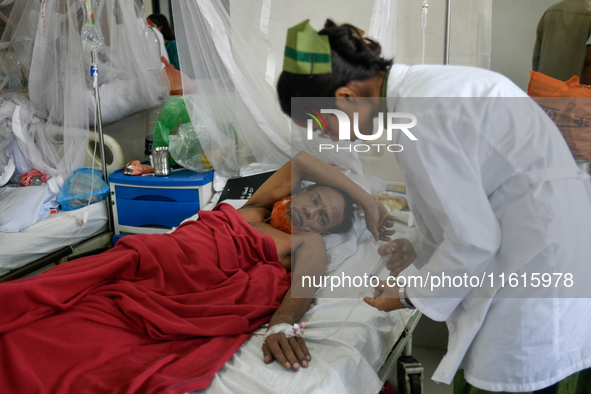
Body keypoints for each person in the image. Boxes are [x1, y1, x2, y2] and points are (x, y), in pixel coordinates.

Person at [276, 19, 591, 393]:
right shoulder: (426, 90)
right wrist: (419, 245)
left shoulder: (424, 114)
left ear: (345, 98)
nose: (324, 135)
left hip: (533, 278)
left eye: (319, 124)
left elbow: (474, 240)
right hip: (549, 250)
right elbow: (470, 205)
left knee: (507, 378)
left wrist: (408, 295)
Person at [0, 151, 392, 392]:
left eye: (323, 219)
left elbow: (302, 287)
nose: (312, 213)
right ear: (300, 191)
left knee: (66, 341)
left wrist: (281, 325)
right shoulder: (255, 207)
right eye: (315, 200)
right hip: (155, 258)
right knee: (51, 297)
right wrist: (366, 200)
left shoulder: (308, 244)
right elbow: (305, 159)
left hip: (182, 289)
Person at [533, 0, 591, 81]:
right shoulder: (589, 13)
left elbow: (537, 56)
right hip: (573, 88)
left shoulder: (550, 11)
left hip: (545, 85)